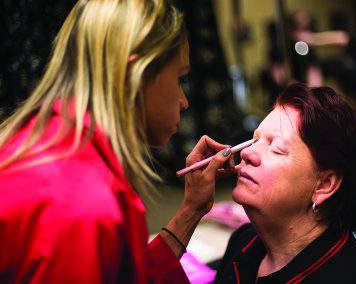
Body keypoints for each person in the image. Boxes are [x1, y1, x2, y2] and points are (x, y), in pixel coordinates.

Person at [0, 0, 235, 283]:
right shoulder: (80, 206)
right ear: (137, 75)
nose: (184, 102)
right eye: (180, 78)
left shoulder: (52, 146)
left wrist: (191, 210)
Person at [213, 83, 356, 283]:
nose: (247, 153)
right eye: (254, 140)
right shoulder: (243, 240)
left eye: (276, 148)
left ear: (324, 185)